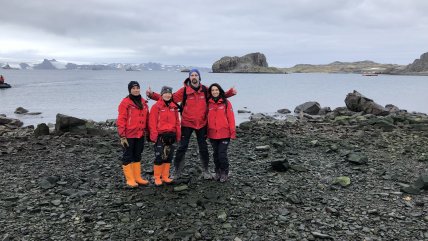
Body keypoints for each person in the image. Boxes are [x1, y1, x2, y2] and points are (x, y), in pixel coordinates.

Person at [146, 69, 236, 179]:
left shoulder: (205, 90)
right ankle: (177, 171)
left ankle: (206, 171)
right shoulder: (184, 91)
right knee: (182, 147)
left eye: (196, 75)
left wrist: (230, 93)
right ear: (189, 77)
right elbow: (168, 97)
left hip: (202, 123)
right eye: (192, 75)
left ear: (199, 77)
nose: (194, 77)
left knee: (203, 148)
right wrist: (152, 95)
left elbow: (217, 95)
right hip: (187, 123)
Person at [117, 81, 150, 188]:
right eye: (133, 88)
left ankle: (137, 177)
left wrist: (149, 132)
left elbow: (147, 119)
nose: (136, 90)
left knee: (137, 155)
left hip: (140, 134)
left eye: (137, 88)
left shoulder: (144, 103)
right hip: (128, 135)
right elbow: (121, 119)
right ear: (130, 90)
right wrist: (122, 135)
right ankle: (130, 179)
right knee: (127, 156)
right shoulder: (125, 102)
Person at [149, 86, 181, 186]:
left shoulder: (174, 107)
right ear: (161, 95)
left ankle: (165, 176)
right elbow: (152, 122)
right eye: (165, 93)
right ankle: (157, 177)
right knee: (159, 156)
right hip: (160, 136)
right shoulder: (156, 106)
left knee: (169, 156)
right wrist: (153, 136)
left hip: (171, 135)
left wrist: (178, 135)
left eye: (169, 93)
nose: (167, 95)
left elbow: (177, 122)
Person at [207, 83, 236, 182]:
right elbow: (205, 118)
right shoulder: (208, 103)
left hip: (224, 133)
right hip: (212, 134)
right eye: (212, 90)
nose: (214, 92)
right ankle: (218, 171)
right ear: (210, 92)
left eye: (216, 90)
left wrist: (232, 132)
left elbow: (231, 118)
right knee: (215, 154)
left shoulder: (226, 103)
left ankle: (225, 172)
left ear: (219, 91)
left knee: (222, 154)